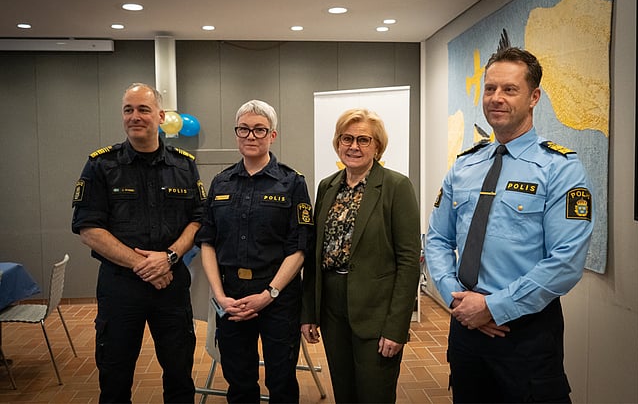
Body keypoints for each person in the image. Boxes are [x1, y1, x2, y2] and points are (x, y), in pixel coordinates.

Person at [426, 47, 594, 403]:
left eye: (509, 89)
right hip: (466, 329)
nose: (496, 98)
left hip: (525, 332)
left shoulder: (559, 168)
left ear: (534, 97)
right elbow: (437, 239)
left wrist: (494, 307)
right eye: (490, 88)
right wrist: (458, 300)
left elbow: (566, 260)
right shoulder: (464, 166)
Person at [71, 83, 206, 403]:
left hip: (171, 286)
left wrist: (169, 257)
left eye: (143, 109)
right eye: (128, 110)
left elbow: (199, 219)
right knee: (114, 379)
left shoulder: (184, 165)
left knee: (179, 376)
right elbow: (88, 228)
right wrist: (145, 265)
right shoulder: (101, 165)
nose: (135, 116)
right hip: (120, 287)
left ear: (160, 116)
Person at [194, 100, 313, 403]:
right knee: (239, 381)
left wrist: (269, 294)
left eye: (259, 129)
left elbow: (300, 248)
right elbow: (207, 242)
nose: (251, 136)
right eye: (244, 129)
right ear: (236, 133)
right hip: (231, 297)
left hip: (278, 297)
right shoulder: (220, 182)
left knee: (281, 381)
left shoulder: (292, 182)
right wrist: (220, 297)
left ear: (272, 135)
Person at [301, 108, 421, 403]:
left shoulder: (396, 186)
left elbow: (409, 262)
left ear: (377, 146)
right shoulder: (327, 186)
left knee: (374, 394)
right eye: (347, 138)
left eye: (363, 140)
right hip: (332, 309)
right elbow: (315, 253)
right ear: (338, 143)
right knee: (344, 392)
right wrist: (309, 313)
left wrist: (397, 327)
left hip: (377, 311)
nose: (354, 146)